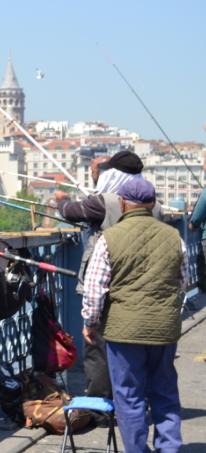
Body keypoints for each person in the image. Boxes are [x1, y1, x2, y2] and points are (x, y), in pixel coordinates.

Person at [81, 178, 187, 453]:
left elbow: (95, 289)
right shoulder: (173, 237)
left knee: (128, 392)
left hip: (123, 328)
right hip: (164, 327)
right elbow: (183, 281)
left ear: (123, 204)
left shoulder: (109, 238)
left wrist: (90, 323)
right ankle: (169, 447)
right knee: (164, 385)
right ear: (153, 203)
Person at [55, 150, 161, 401]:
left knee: (98, 349)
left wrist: (62, 198)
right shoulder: (155, 206)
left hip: (109, 287)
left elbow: (70, 211)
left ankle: (101, 407)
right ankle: (133, 401)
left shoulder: (105, 201)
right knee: (134, 351)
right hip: (144, 287)